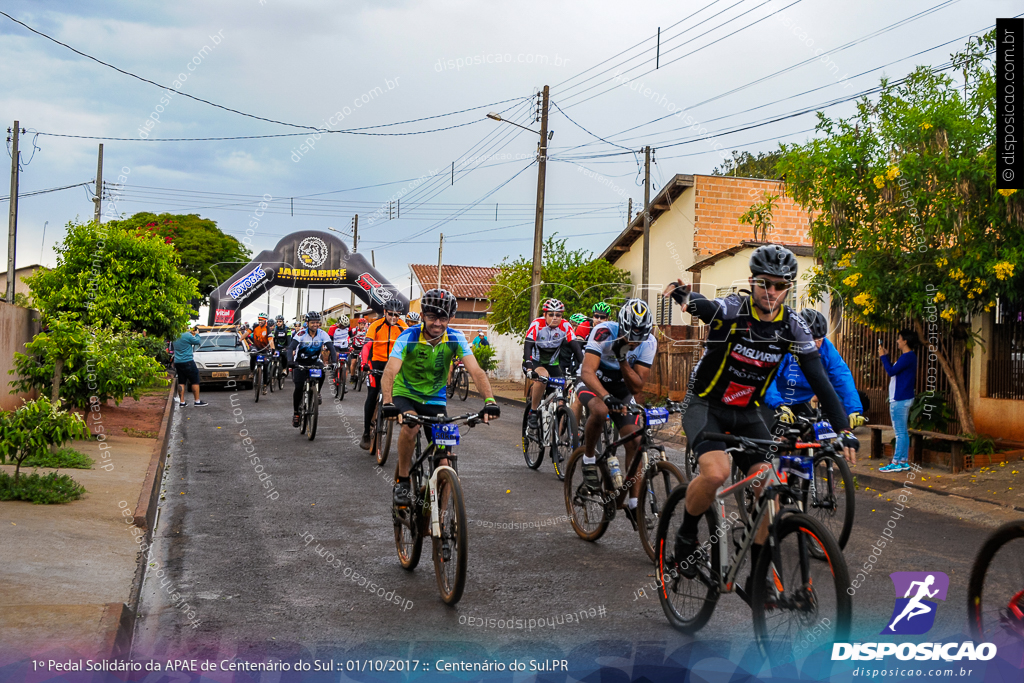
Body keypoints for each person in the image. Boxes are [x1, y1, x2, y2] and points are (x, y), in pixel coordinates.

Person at [663, 244, 858, 594]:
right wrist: (680, 293)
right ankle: (687, 532)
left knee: (768, 488)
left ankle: (757, 577)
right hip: (706, 404)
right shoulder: (734, 310)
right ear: (752, 281)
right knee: (718, 472)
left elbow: (821, 380)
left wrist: (843, 429)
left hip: (747, 411)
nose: (771, 292)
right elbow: (702, 306)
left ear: (789, 288)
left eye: (779, 286)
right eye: (764, 283)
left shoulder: (793, 326)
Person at [380, 289, 501, 507]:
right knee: (411, 427)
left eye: (443, 317)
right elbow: (390, 371)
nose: (437, 323)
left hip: (435, 400)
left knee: (444, 462)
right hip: (406, 395)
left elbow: (476, 371)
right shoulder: (408, 336)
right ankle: (404, 480)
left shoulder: (455, 337)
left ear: (450, 318)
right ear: (424, 315)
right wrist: (388, 402)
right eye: (433, 316)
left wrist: (490, 401)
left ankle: (443, 527)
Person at [577, 299, 657, 526]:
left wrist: (622, 358)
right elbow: (587, 371)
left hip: (621, 388)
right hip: (593, 382)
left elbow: (637, 386)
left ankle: (633, 505)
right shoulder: (603, 332)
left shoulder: (649, 342)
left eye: (639, 338)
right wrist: (604, 396)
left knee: (635, 440)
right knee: (601, 410)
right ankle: (588, 459)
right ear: (621, 326)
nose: (634, 342)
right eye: (630, 336)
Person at [765, 308, 866, 464]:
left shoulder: (826, 348)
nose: (817, 344)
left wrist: (854, 410)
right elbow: (769, 378)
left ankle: (803, 476)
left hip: (801, 401)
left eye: (820, 338)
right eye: (813, 338)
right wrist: (778, 404)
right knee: (781, 440)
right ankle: (776, 478)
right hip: (774, 399)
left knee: (812, 435)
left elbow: (842, 377)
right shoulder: (785, 345)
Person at [523, 298, 584, 430]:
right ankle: (533, 412)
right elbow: (528, 346)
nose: (555, 318)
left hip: (552, 364)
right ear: (544, 315)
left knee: (561, 398)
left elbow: (576, 348)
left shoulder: (566, 326)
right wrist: (528, 366)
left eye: (558, 315)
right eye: (551, 314)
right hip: (534, 362)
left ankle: (557, 434)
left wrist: (585, 367)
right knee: (543, 377)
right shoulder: (537, 324)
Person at [360, 300, 407, 450]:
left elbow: (411, 348)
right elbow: (367, 346)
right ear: (385, 312)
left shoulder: (403, 327)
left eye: (397, 315)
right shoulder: (376, 325)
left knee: (400, 395)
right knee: (372, 394)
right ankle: (366, 432)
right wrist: (364, 363)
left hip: (394, 364)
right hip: (376, 363)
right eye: (391, 314)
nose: (394, 318)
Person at [285, 311, 337, 428]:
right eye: (312, 322)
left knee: (323, 371)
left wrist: (334, 362)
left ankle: (317, 392)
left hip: (314, 361)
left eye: (317, 322)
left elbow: (331, 348)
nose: (315, 325)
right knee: (298, 388)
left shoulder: (322, 334)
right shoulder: (301, 334)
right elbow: (291, 348)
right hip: (300, 362)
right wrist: (290, 362)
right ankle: (296, 414)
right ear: (307, 323)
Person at [878, 329, 919, 473]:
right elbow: (894, 370)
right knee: (903, 432)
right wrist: (887, 357)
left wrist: (883, 357)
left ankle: (896, 462)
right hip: (904, 397)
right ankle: (903, 461)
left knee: (900, 432)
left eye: (899, 339)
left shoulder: (907, 357)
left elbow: (890, 372)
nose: (897, 341)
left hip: (899, 398)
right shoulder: (909, 357)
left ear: (905, 341)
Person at [172, 325, 208, 407]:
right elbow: (197, 341)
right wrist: (197, 334)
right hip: (188, 361)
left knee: (181, 381)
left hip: (178, 361)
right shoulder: (187, 335)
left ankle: (182, 402)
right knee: (195, 381)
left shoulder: (174, 335)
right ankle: (197, 401)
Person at [241, 313, 275, 393]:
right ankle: (252, 372)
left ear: (265, 321)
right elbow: (247, 333)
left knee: (266, 366)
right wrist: (240, 339)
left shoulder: (268, 329)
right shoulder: (255, 326)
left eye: (261, 320)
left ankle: (264, 386)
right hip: (256, 347)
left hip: (265, 349)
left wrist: (272, 349)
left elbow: (270, 340)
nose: (260, 321)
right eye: (259, 320)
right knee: (253, 355)